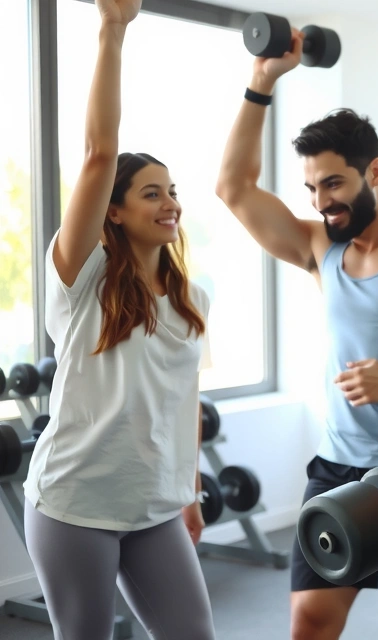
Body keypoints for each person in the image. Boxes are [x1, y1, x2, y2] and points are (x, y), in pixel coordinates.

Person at [214, 27, 378, 640]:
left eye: (333, 183)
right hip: (337, 470)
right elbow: (232, 189)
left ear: (374, 171)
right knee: (310, 623)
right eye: (311, 188)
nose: (321, 201)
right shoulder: (317, 249)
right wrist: (262, 82)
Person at [20, 1, 215, 638]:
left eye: (173, 190)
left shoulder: (192, 298)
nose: (170, 203)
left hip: (156, 505)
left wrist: (188, 488)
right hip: (76, 501)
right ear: (115, 212)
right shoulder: (83, 277)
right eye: (151, 193)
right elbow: (100, 153)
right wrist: (113, 28)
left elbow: (183, 396)